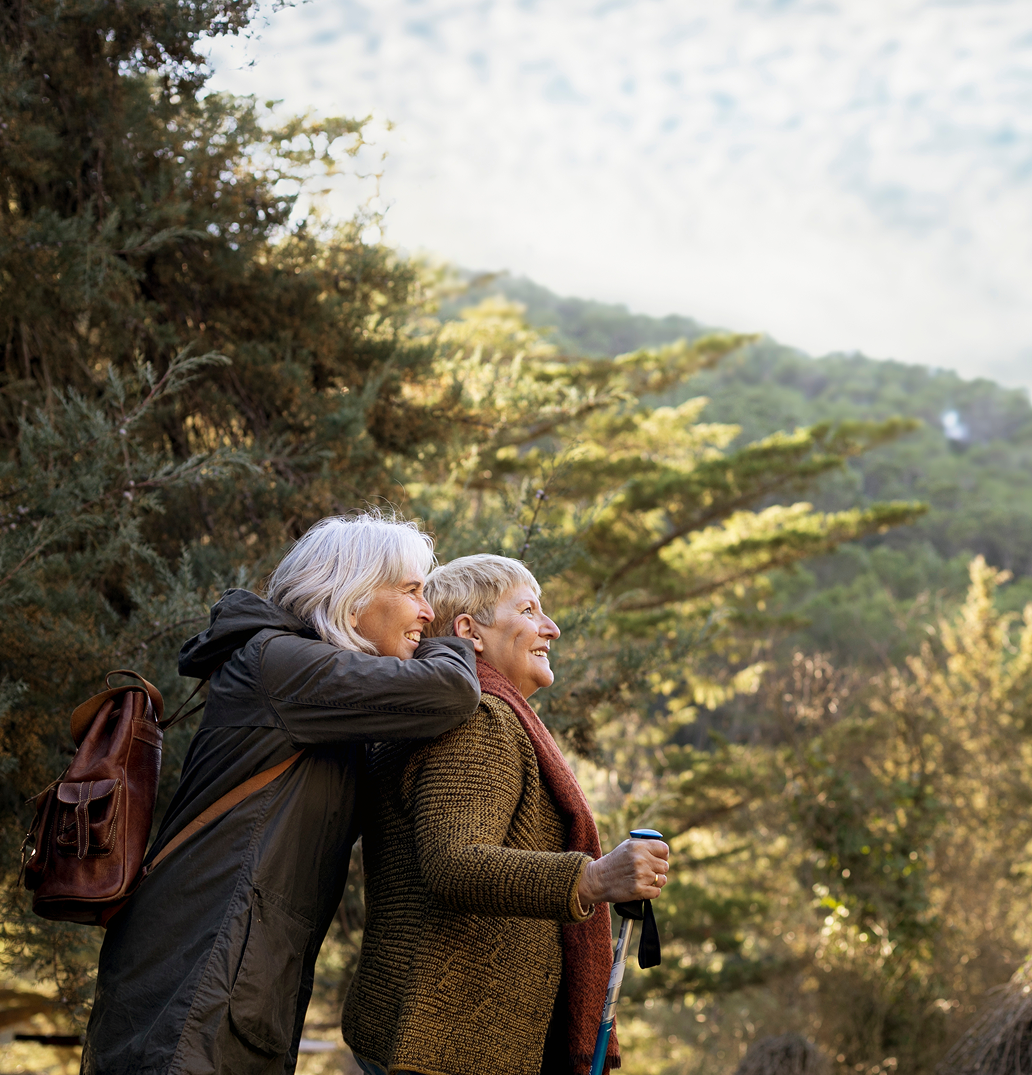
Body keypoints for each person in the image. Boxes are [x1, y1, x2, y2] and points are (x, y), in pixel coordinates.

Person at [81, 512, 481, 1075]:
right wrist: (454, 642)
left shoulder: (312, 686)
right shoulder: (279, 664)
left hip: (230, 974)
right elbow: (450, 692)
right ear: (352, 592)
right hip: (196, 975)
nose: (427, 611)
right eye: (413, 590)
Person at [341, 553, 670, 1075]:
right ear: (469, 630)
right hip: (450, 1043)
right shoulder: (481, 720)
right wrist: (595, 878)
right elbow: (453, 864)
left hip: (428, 1033)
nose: (552, 627)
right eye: (529, 609)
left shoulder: (442, 714)